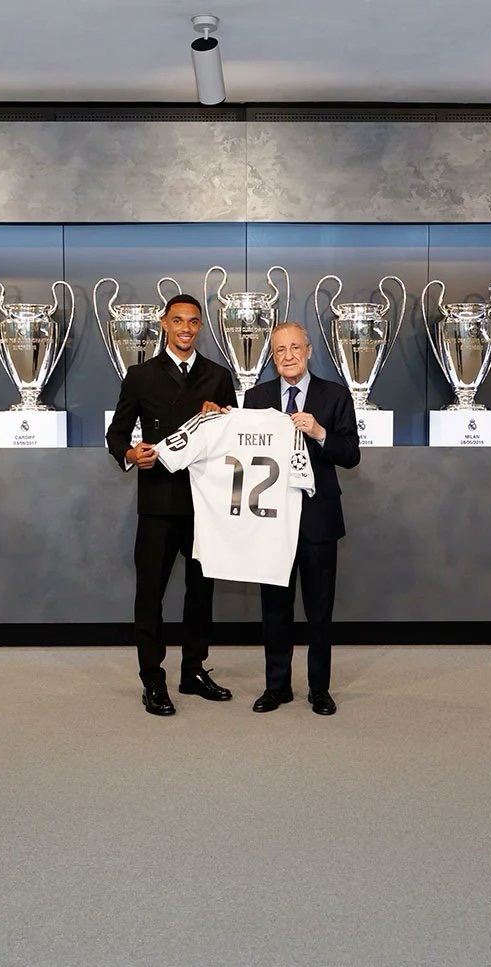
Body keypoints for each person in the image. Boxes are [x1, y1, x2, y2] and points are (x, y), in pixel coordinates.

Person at [106, 292, 238, 717]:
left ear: (200, 327)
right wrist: (131, 454)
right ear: (164, 324)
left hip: (204, 501)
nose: (186, 328)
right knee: (151, 595)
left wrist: (220, 416)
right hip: (158, 501)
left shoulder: (218, 375)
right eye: (178, 320)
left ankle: (193, 671)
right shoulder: (140, 375)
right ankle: (152, 679)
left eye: (193, 322)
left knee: (201, 592)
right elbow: (116, 434)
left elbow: (234, 438)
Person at [243, 322, 360, 715]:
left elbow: (351, 454)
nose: (288, 355)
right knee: (274, 608)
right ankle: (276, 687)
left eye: (295, 347)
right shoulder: (256, 398)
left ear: (309, 351)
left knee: (319, 609)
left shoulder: (335, 395)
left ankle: (319, 688)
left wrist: (321, 432)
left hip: (318, 519)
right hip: (271, 519)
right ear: (272, 357)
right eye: (280, 350)